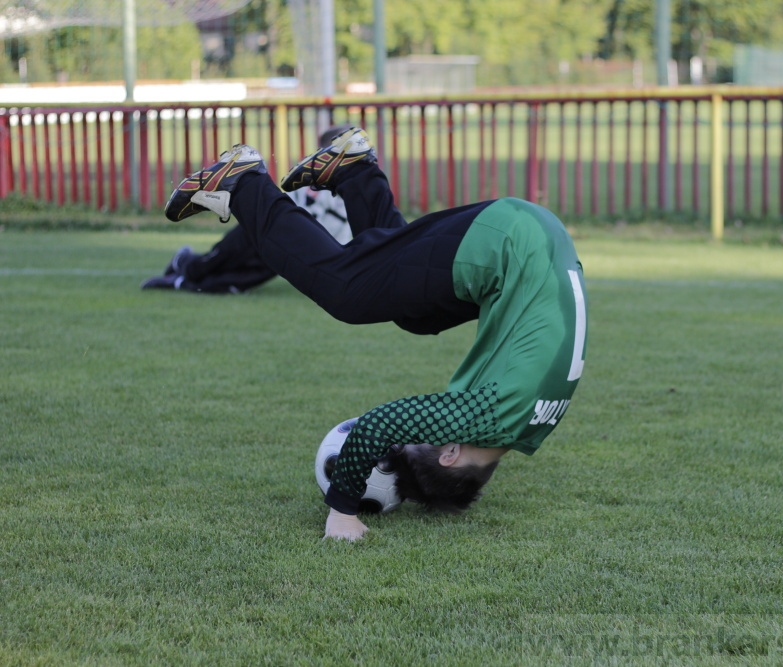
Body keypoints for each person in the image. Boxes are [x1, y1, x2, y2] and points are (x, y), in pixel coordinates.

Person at [163, 127, 588, 541]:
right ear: (451, 453)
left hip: (535, 239)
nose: (424, 429)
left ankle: (353, 169)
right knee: (347, 293)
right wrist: (343, 511)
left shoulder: (531, 427)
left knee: (413, 314)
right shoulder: (488, 419)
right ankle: (243, 184)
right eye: (421, 441)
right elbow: (378, 425)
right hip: (505, 243)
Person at [143, 126, 352, 293]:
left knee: (234, 283)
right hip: (258, 229)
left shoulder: (351, 200)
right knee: (215, 261)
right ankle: (183, 263)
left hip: (287, 249)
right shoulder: (307, 180)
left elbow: (341, 248)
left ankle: (179, 282)